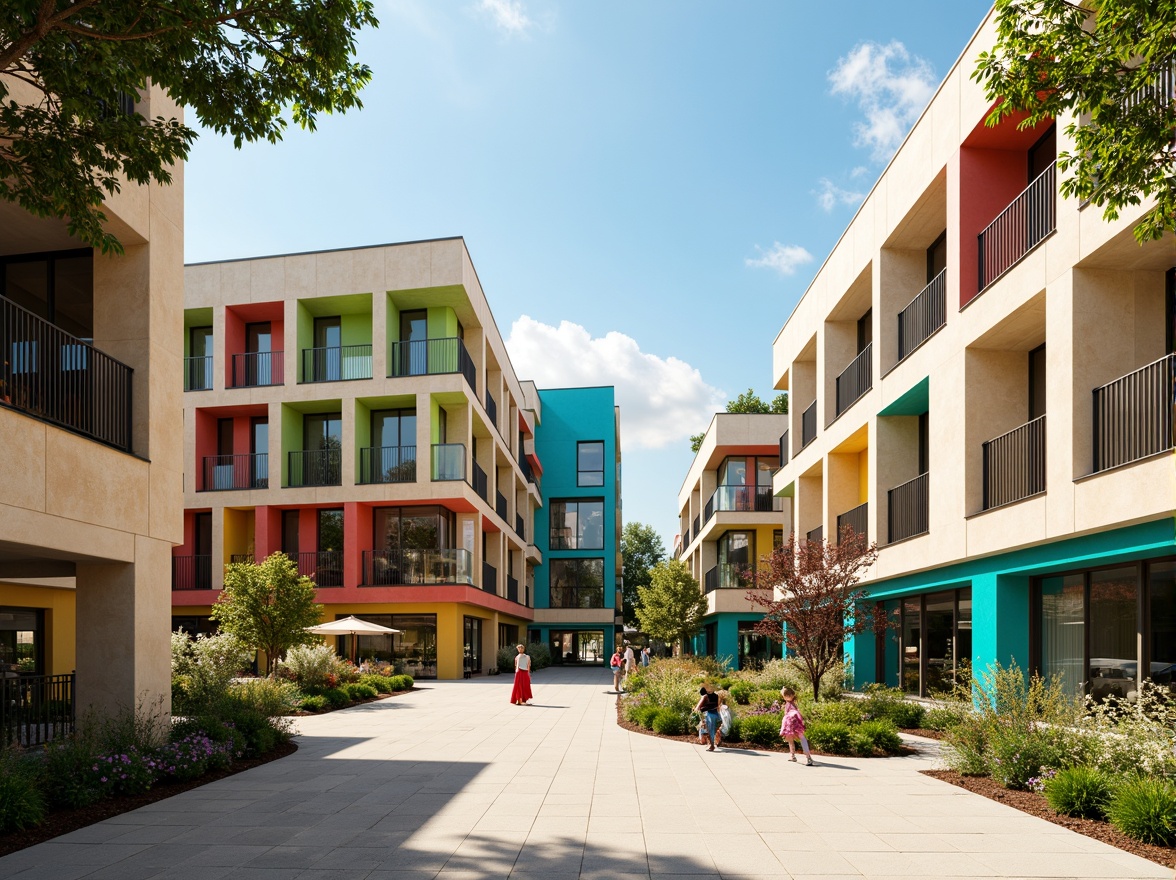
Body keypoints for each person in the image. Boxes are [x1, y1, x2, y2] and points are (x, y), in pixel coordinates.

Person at [779, 687, 814, 765]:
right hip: (796, 723)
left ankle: (798, 756)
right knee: (797, 738)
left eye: (785, 696)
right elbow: (799, 713)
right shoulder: (794, 703)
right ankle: (802, 756)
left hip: (791, 723)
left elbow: (786, 713)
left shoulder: (789, 703)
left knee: (792, 738)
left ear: (789, 695)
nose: (785, 697)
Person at [694, 683, 722, 752]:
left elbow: (697, 708)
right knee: (714, 730)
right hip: (716, 715)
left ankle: (711, 746)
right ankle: (715, 742)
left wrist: (695, 709)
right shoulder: (716, 696)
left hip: (709, 716)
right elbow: (717, 706)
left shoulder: (704, 696)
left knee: (708, 731)